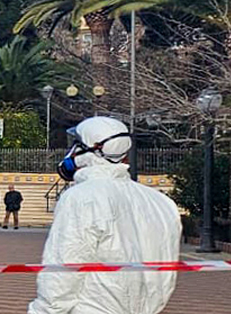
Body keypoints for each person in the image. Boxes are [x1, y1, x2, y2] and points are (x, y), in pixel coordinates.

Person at [28, 115, 181, 314]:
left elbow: (64, 267)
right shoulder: (161, 202)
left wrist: (43, 311)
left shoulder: (81, 197)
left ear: (88, 150)